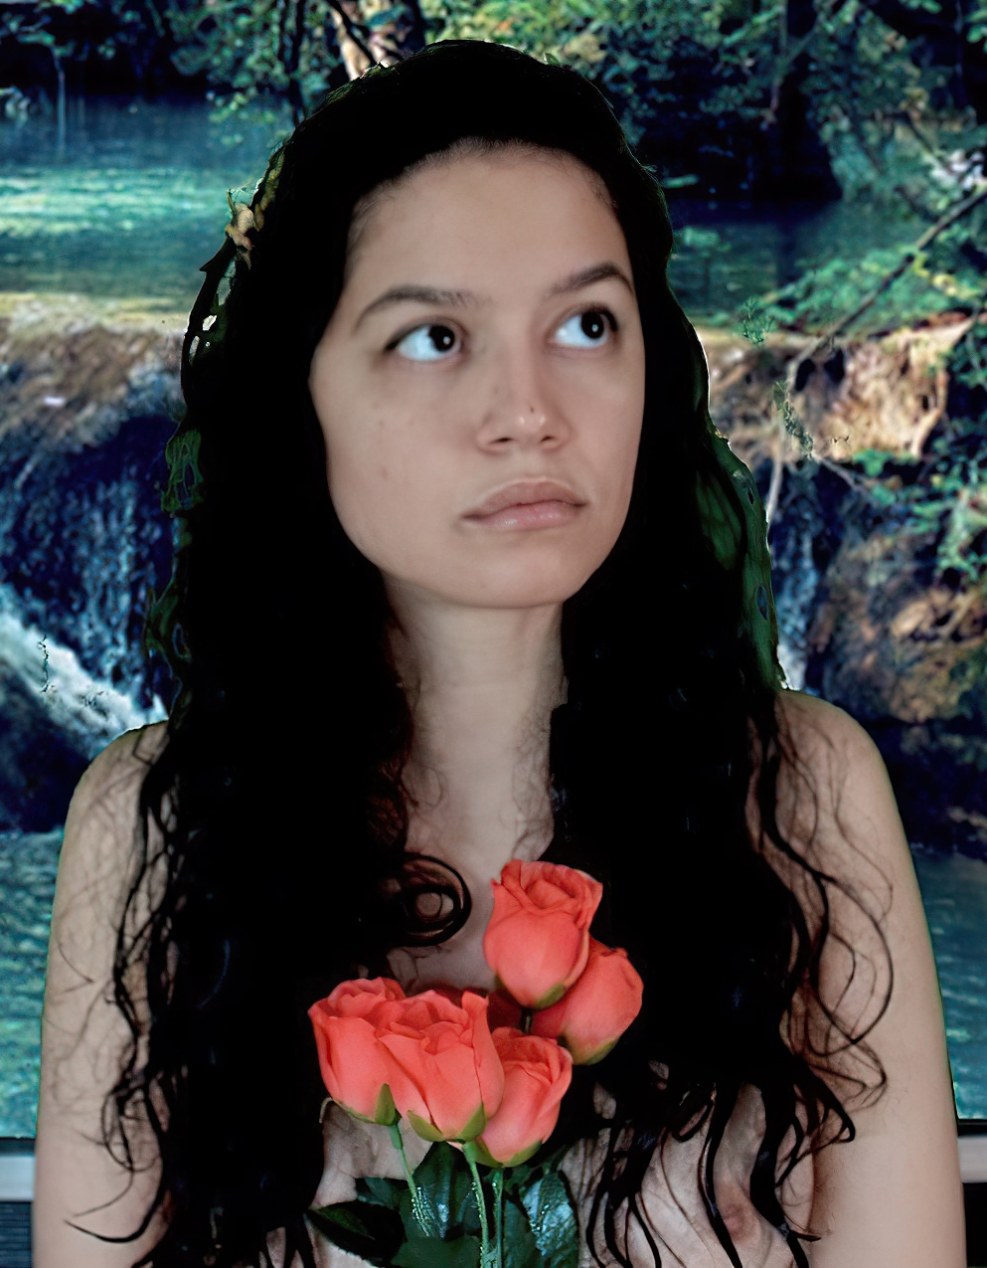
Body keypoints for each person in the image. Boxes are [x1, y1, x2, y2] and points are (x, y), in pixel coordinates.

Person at [32, 38, 964, 1268]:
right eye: (434, 336)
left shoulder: (803, 794)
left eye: (587, 323)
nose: (529, 411)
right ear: (298, 394)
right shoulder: (151, 830)